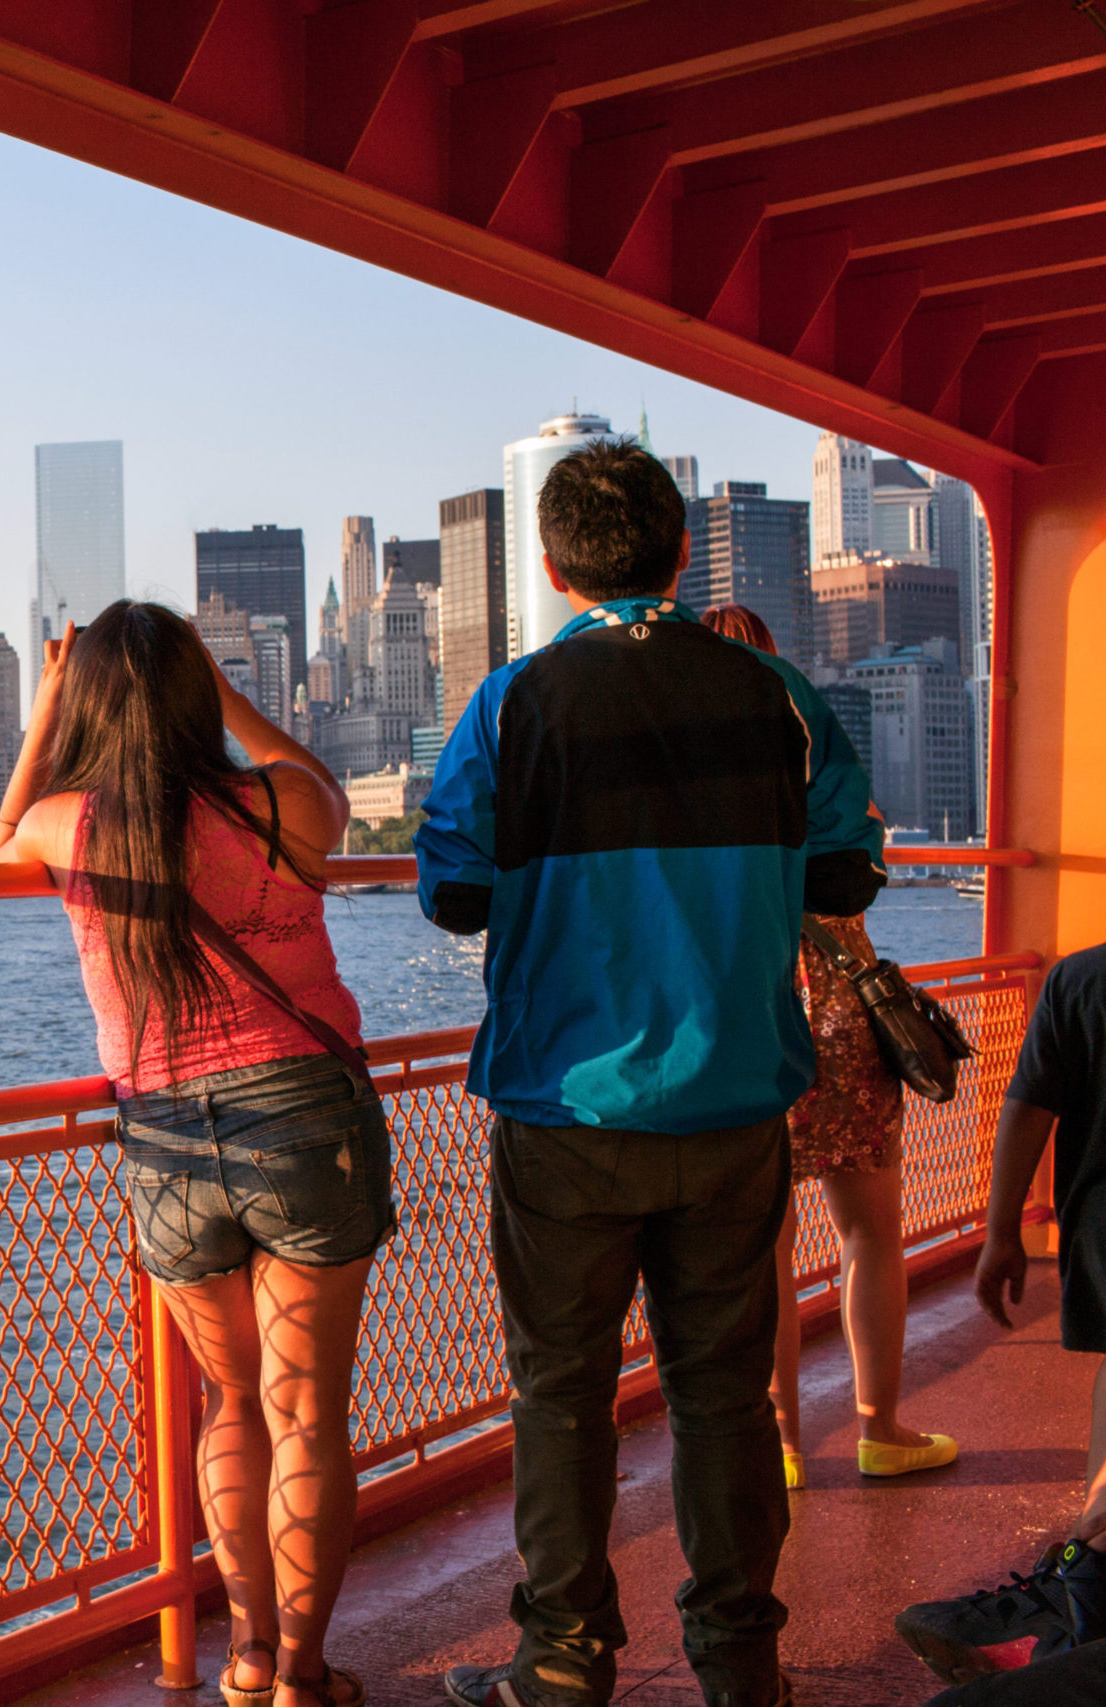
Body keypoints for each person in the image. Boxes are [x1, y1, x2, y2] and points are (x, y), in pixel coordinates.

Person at [414, 442, 884, 1707]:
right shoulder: (776, 693)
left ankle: (562, 1660)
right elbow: (846, 868)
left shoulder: (510, 704)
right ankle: (740, 1662)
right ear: (681, 554)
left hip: (565, 1103)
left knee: (559, 1393)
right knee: (722, 1394)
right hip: (735, 1094)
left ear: (553, 568)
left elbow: (452, 891)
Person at [0, 600, 391, 1707]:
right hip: (301, 1113)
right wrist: (231, 698)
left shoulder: (69, 826)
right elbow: (330, 793)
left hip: (165, 1137)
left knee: (231, 1403)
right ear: (193, 692)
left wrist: (43, 712)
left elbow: (3, 834)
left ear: (87, 705)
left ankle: (247, 1653)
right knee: (306, 1412)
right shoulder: (276, 804)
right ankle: (303, 1673)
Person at [696, 602, 954, 1488]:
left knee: (764, 1241)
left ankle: (782, 1444)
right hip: (839, 998)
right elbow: (864, 842)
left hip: (746, 1002)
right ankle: (880, 1428)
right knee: (869, 1227)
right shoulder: (811, 737)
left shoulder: (691, 770)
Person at [891, 940, 1106, 1688]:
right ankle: (1085, 1586)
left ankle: (1081, 1591)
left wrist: (1001, 1231)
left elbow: (1029, 1104)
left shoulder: (1081, 979)